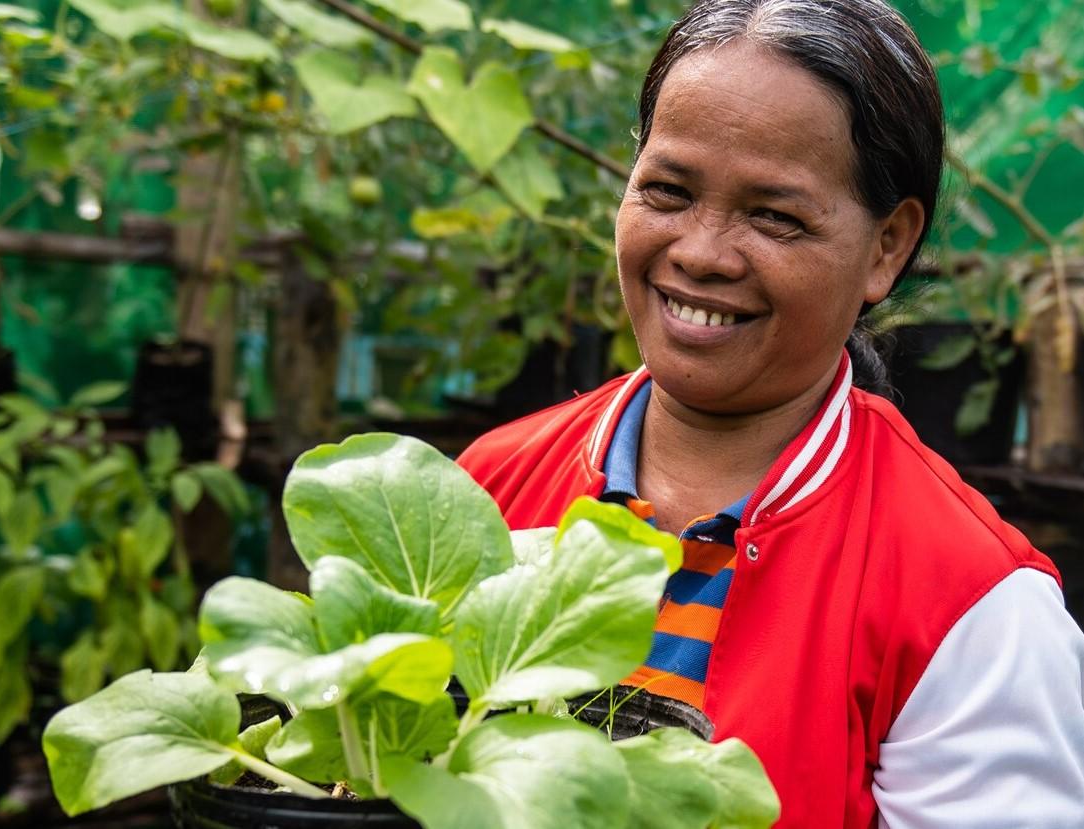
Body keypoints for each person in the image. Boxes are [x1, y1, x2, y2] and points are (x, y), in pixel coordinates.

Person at [454, 1, 1084, 826]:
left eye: (773, 216)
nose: (700, 251)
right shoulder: (485, 485)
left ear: (886, 245)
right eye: (667, 191)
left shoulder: (971, 604)